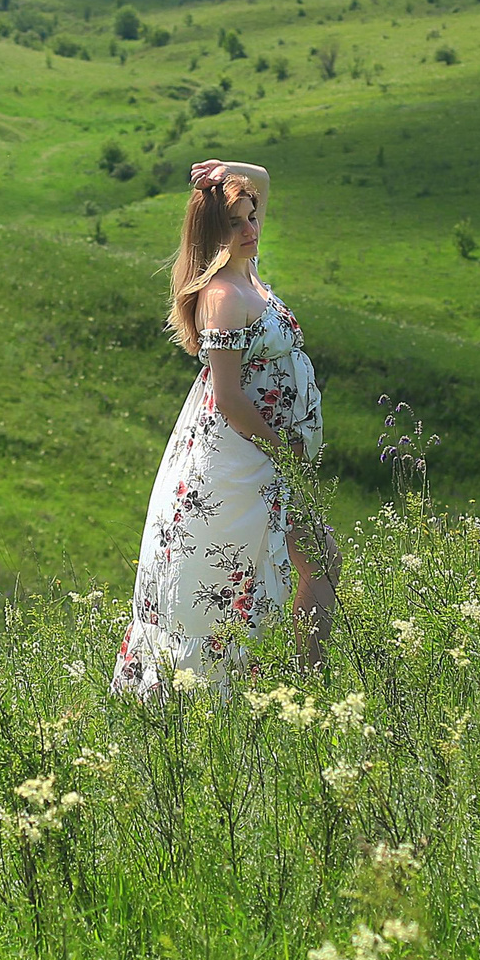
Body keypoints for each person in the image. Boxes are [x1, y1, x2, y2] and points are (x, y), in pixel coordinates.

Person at [111, 158, 333, 697]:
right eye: (236, 222)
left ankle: (304, 686)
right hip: (241, 459)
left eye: (252, 216)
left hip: (272, 457)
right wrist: (283, 453)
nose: (252, 228)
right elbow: (230, 398)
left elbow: (265, 177)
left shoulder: (249, 272)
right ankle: (272, 692)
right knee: (226, 580)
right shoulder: (223, 296)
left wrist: (230, 170)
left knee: (318, 562)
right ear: (215, 233)